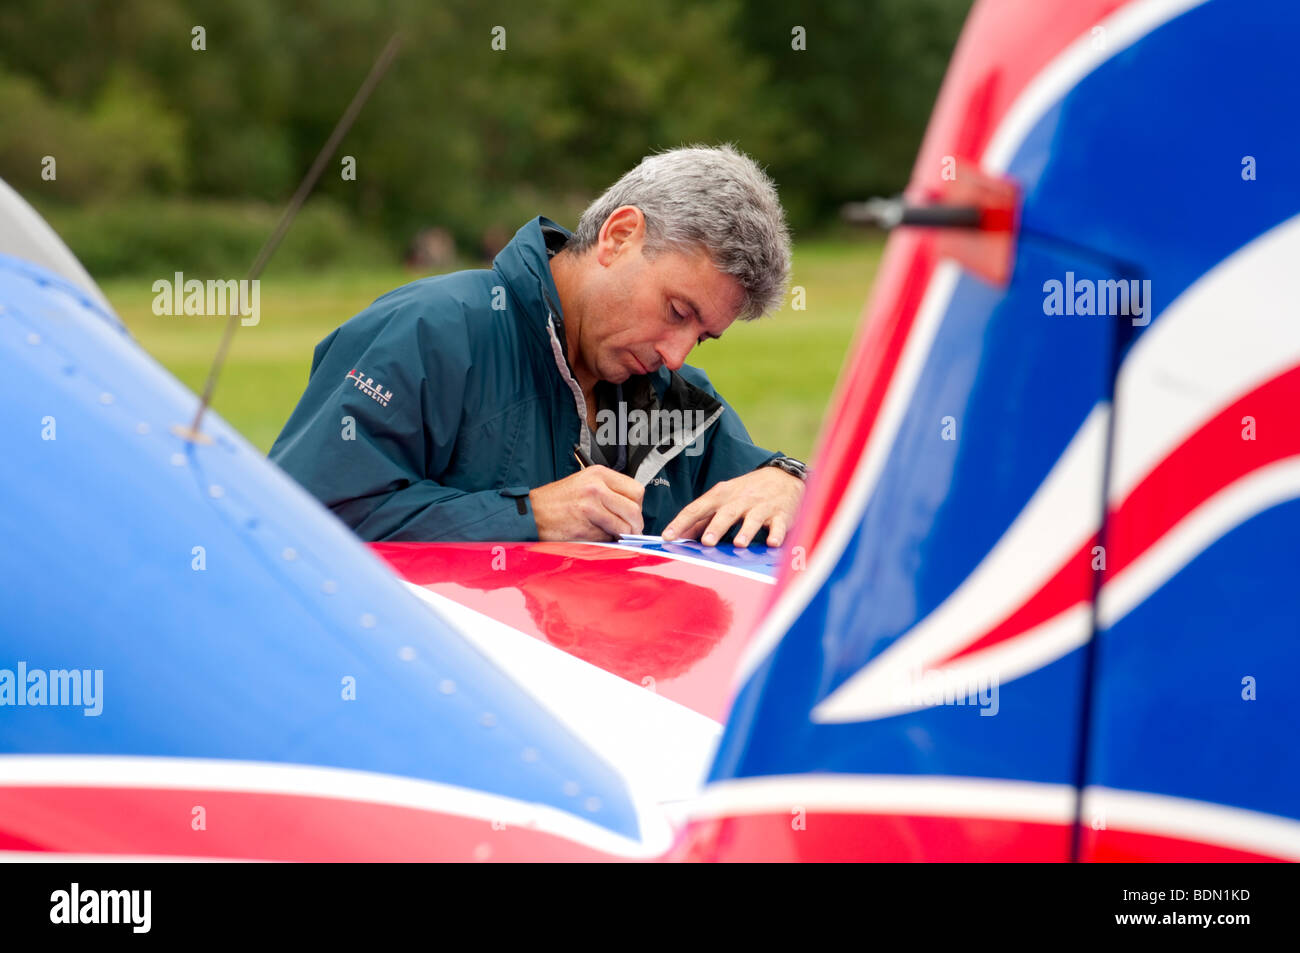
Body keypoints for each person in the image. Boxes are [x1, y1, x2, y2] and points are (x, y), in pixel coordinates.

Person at [269, 144, 808, 547]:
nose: (676, 356)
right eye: (676, 312)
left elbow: (774, 491)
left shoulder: (679, 406)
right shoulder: (428, 331)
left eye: (702, 336)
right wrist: (529, 516)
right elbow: (295, 520)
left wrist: (788, 482)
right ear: (619, 237)